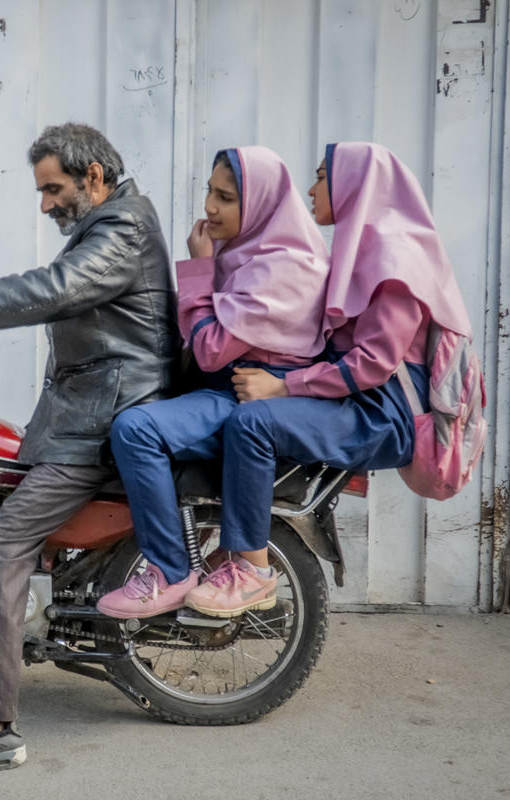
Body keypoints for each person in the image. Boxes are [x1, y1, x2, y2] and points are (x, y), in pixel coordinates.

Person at [0, 123, 179, 776]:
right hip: (82, 415)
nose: (44, 204)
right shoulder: (108, 225)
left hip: (106, 425)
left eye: (52, 189)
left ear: (94, 176)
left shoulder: (122, 228)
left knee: (4, 542)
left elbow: (48, 290)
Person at [181, 141, 471, 617]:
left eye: (321, 177)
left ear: (356, 185)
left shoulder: (395, 259)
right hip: (359, 400)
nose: (311, 188)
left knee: (254, 422)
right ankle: (228, 547)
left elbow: (373, 363)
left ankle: (252, 571)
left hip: (384, 413)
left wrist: (283, 386)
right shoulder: (363, 246)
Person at [96, 146, 331, 619]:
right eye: (209, 190)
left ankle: (169, 570)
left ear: (262, 205)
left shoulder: (284, 268)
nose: (209, 206)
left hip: (248, 392)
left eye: (225, 197)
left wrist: (199, 268)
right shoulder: (247, 253)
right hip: (228, 386)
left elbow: (208, 348)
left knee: (136, 429)